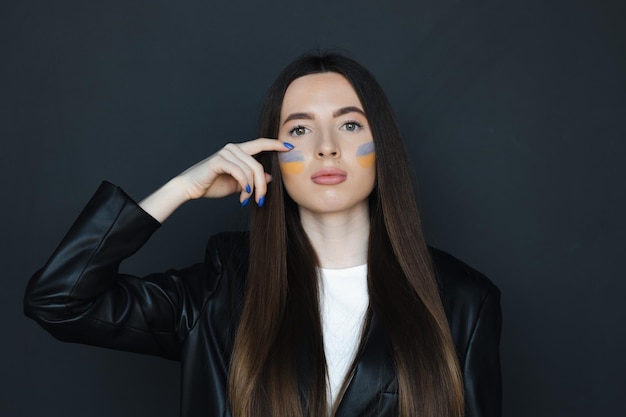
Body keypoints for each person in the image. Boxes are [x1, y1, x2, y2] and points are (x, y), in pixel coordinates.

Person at [24, 52, 501, 417]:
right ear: (270, 154)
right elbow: (60, 302)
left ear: (383, 149)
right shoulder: (220, 289)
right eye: (300, 129)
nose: (327, 148)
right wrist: (180, 188)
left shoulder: (462, 300)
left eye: (350, 125)